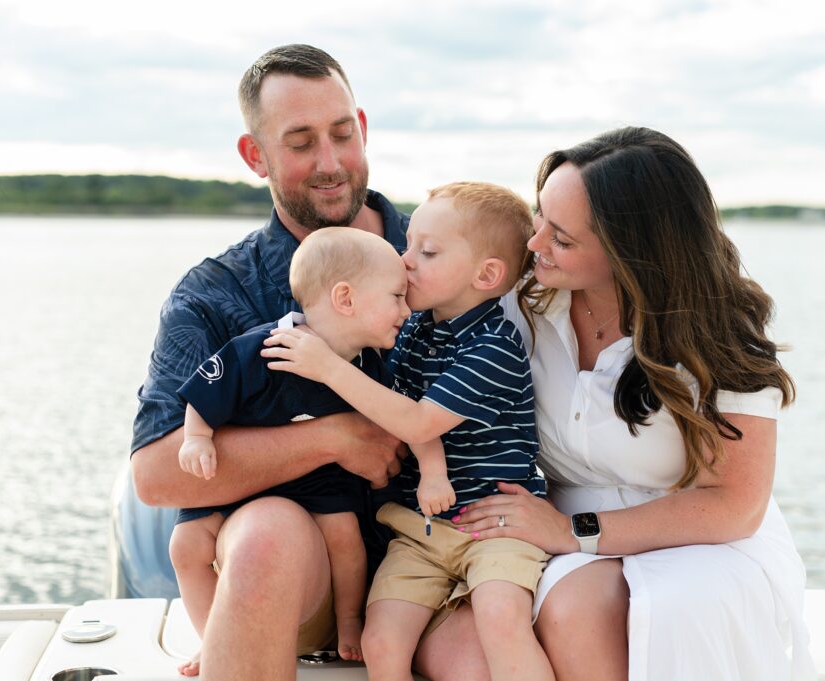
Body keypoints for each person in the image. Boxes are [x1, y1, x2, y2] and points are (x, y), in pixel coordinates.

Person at [446, 127, 816, 680]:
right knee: (497, 637)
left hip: (700, 536)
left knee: (601, 609)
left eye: (562, 238)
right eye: (539, 216)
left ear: (632, 253)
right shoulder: (520, 304)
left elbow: (735, 505)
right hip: (549, 525)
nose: (534, 243)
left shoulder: (720, 331)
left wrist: (575, 533)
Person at [129, 44, 422, 681]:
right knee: (263, 533)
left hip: (444, 559)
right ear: (254, 155)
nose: (330, 162)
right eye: (300, 142)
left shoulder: (442, 256)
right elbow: (155, 474)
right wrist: (335, 438)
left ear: (363, 128)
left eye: (342, 134)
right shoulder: (213, 295)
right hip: (306, 577)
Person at [265, 181, 554, 681]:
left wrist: (327, 368)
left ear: (487, 275)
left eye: (429, 251)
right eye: (408, 246)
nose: (406, 260)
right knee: (380, 639)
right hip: (421, 531)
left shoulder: (494, 346)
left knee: (501, 619)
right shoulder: (417, 329)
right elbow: (388, 396)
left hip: (496, 526)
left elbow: (417, 419)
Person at [168, 228, 410, 674]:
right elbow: (206, 393)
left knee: (346, 542)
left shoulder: (368, 365)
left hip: (321, 485)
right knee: (185, 546)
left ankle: (349, 620)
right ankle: (211, 636)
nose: (406, 309)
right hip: (243, 484)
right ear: (345, 299)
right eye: (397, 297)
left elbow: (389, 433)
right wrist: (197, 438)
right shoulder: (263, 347)